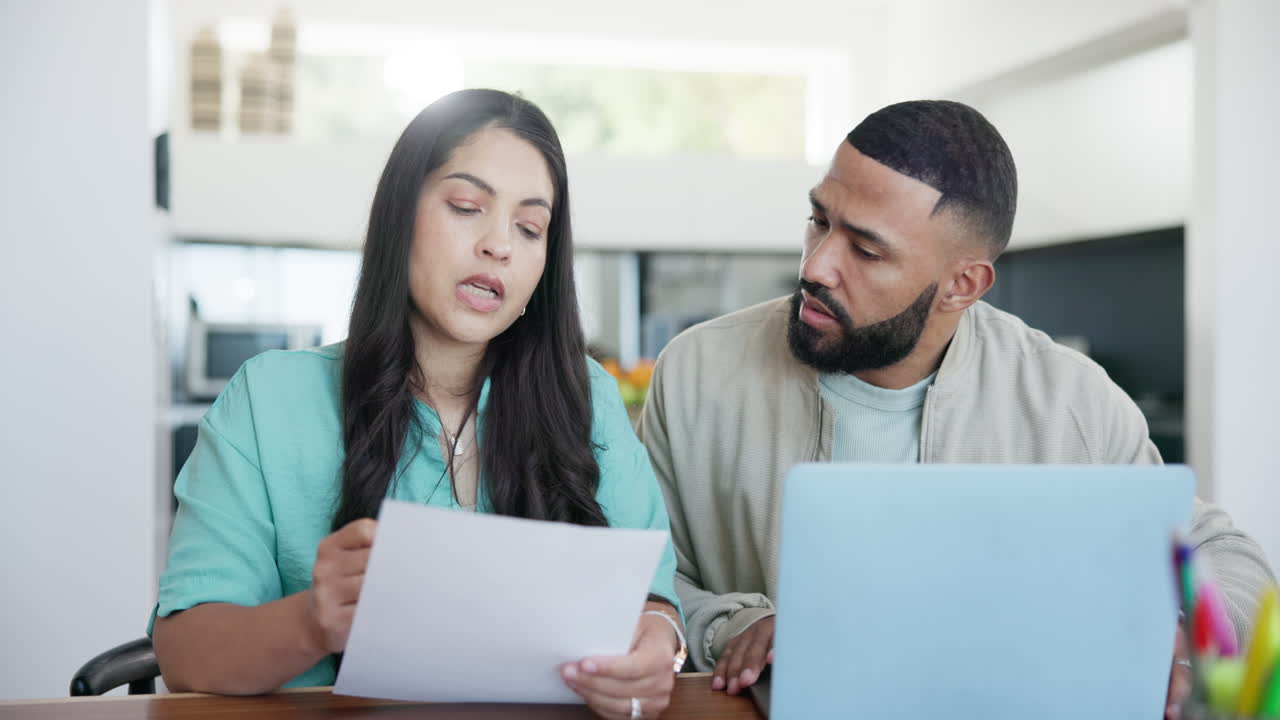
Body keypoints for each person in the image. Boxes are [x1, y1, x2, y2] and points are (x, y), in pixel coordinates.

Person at [637, 100, 1275, 719]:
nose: (817, 264)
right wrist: (738, 621)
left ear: (962, 285)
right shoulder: (697, 372)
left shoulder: (1071, 400)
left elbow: (1223, 552)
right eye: (819, 219)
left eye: (866, 249)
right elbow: (647, 576)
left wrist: (1188, 633)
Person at [152, 89, 685, 720]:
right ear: (400, 214)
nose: (499, 246)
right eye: (467, 206)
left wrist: (660, 645)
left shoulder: (586, 395)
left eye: (529, 227)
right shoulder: (268, 400)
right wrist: (313, 621)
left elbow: (651, 599)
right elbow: (184, 652)